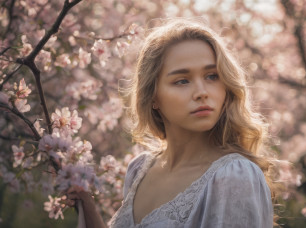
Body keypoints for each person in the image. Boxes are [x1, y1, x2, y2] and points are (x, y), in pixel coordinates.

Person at [67, 18, 278, 228]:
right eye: (182, 81)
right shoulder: (139, 169)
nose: (202, 92)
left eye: (212, 76)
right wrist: (87, 204)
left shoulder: (233, 176)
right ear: (153, 96)